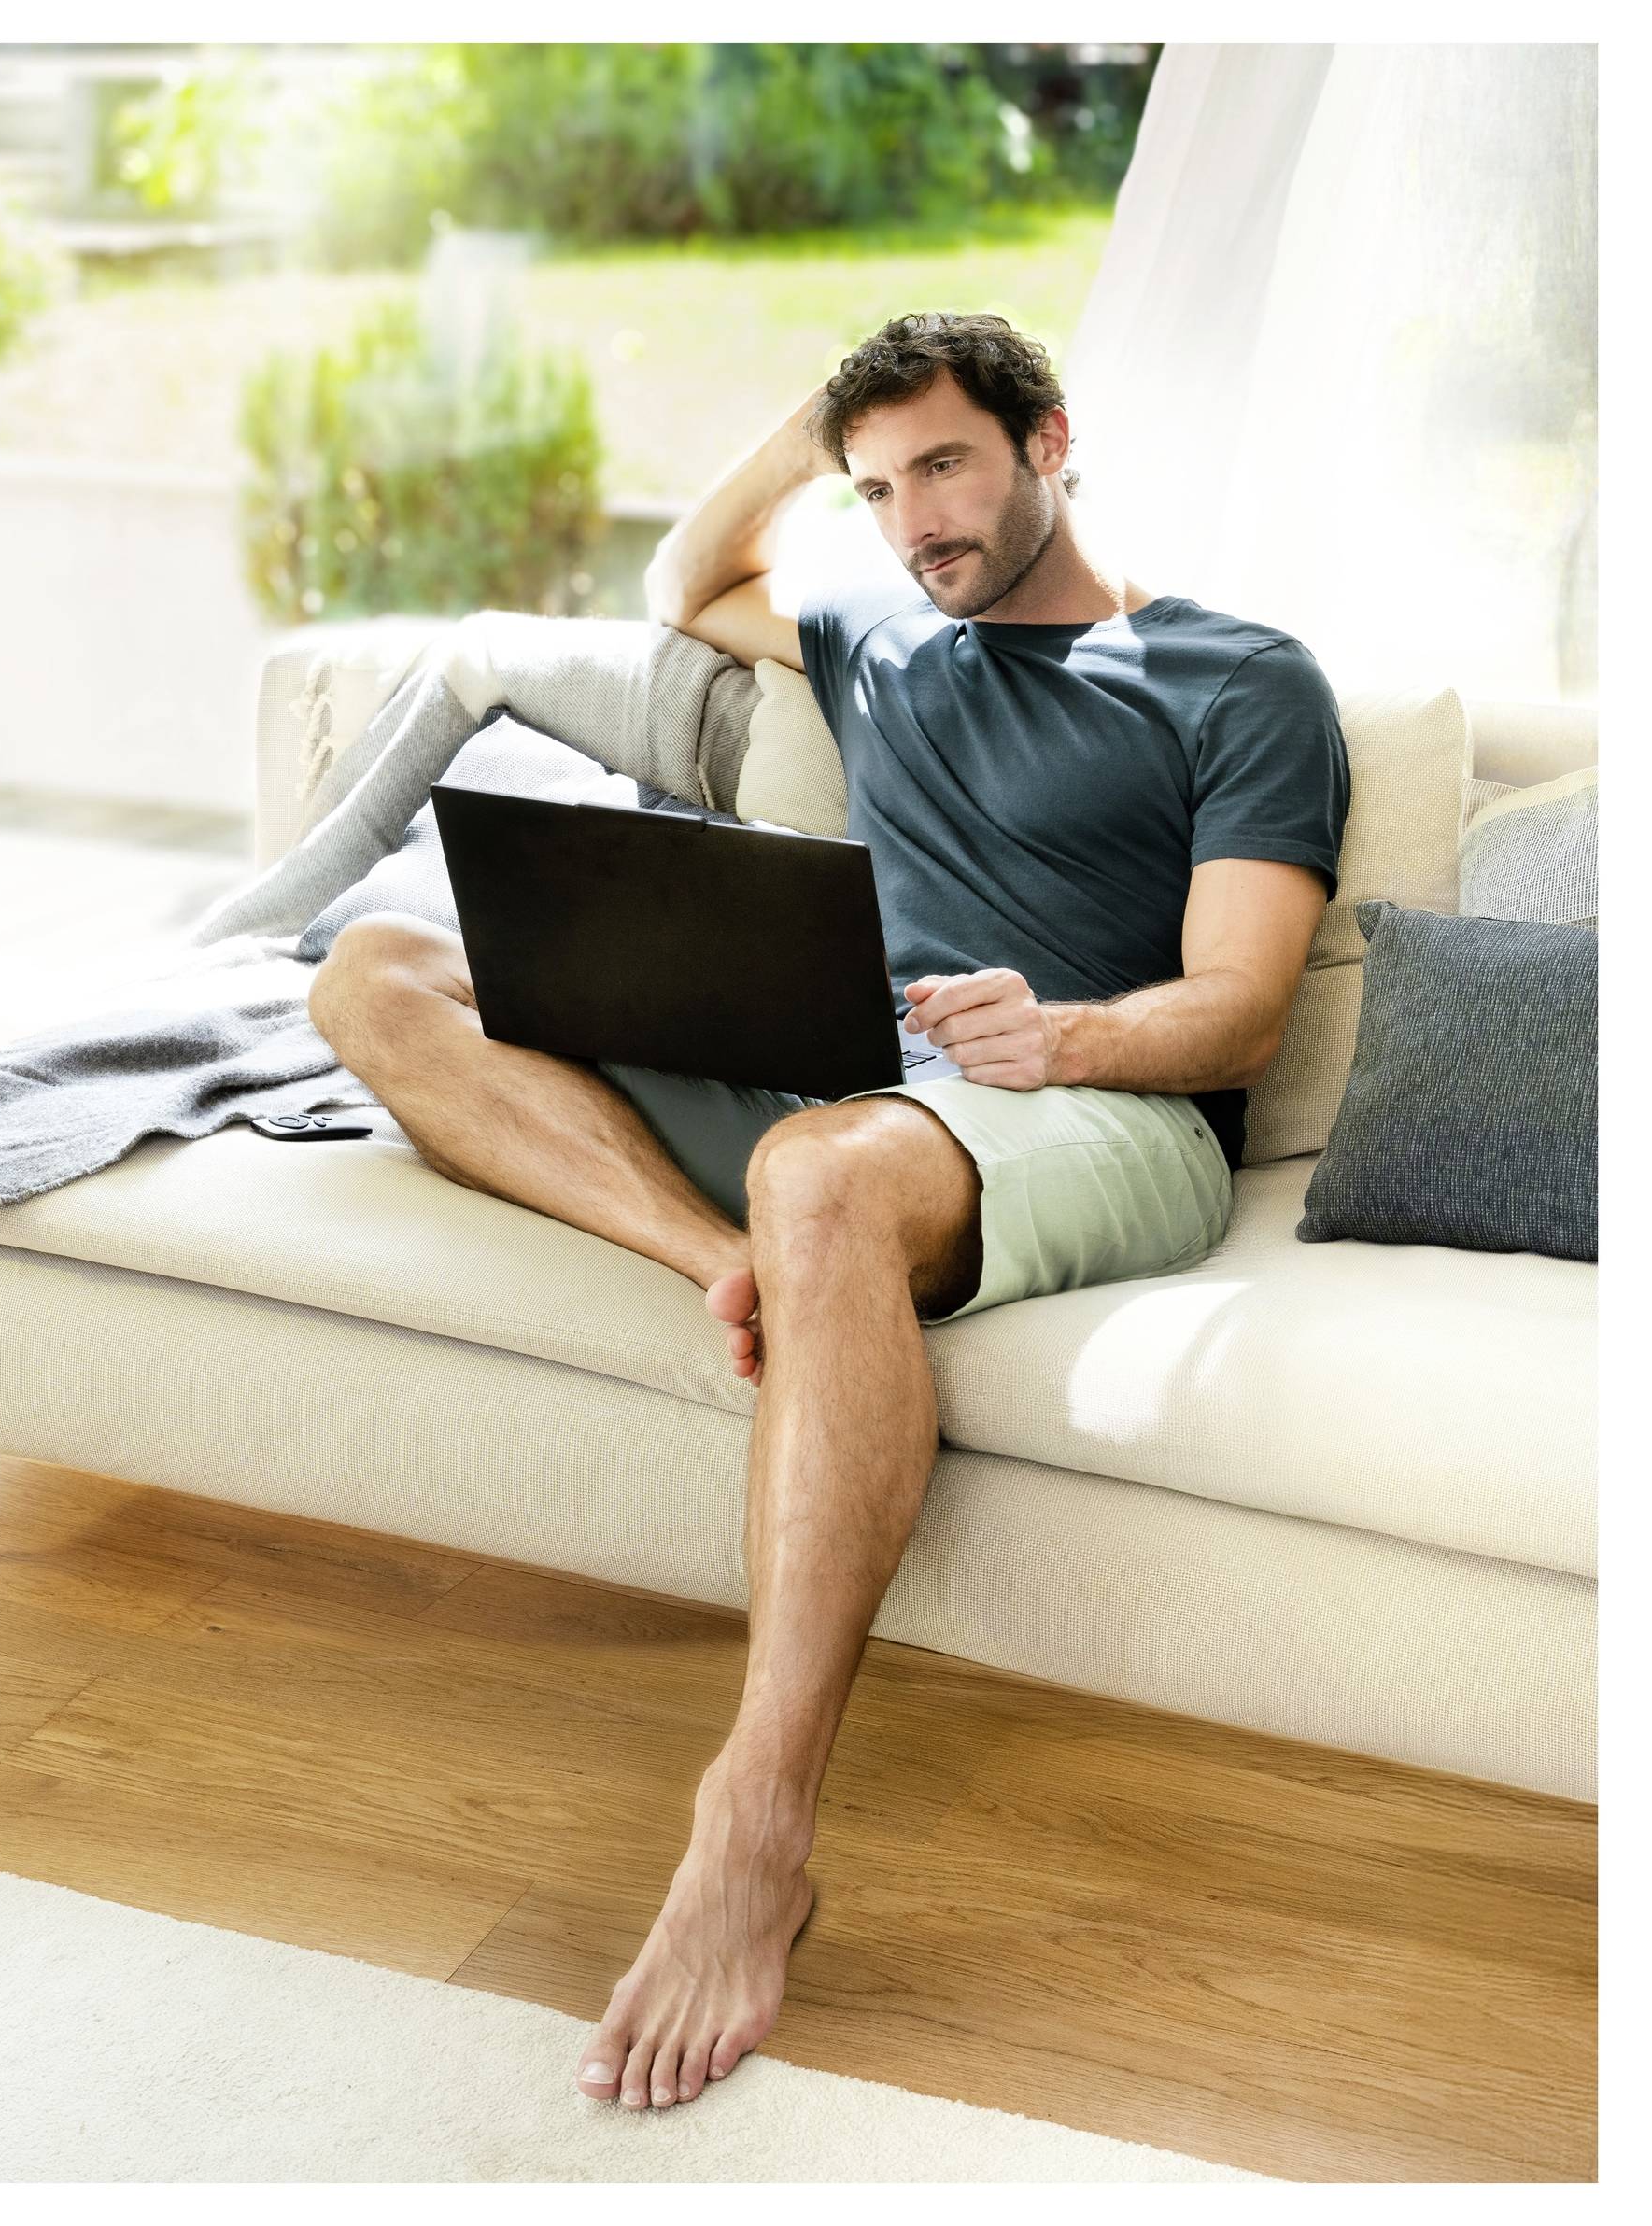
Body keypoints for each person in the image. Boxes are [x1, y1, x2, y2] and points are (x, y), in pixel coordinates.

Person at [305, 310, 1349, 2112]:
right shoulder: (877, 629)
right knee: (377, 972)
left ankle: (756, 1821)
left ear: (1048, 440)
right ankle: (733, 1263)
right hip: (847, 1090)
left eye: (945, 465)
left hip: (1097, 1108)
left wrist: (1065, 1032)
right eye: (874, 488)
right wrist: (819, 430)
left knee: (824, 1171)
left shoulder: (1236, 678)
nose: (914, 522)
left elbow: (1241, 1009)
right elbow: (687, 579)